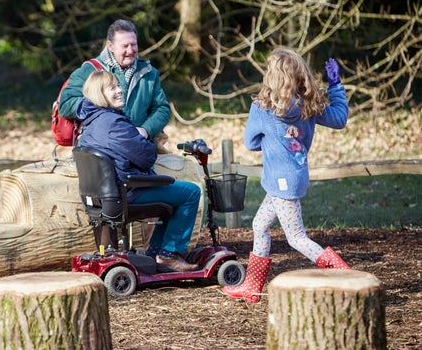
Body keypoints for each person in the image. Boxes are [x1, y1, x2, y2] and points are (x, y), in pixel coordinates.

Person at [222, 48, 350, 304]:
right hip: (296, 176)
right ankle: (252, 287)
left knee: (297, 238)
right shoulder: (309, 104)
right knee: (259, 225)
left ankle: (343, 273)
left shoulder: (263, 107)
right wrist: (335, 84)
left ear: (273, 77)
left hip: (281, 182)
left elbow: (250, 142)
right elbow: (339, 119)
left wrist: (269, 142)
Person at [76, 70, 201, 272]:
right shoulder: (113, 123)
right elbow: (146, 156)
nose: (119, 90)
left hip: (105, 196)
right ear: (99, 93)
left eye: (118, 85)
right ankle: (169, 254)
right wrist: (147, 142)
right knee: (190, 192)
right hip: (127, 192)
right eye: (113, 87)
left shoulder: (90, 122)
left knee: (171, 198)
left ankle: (155, 252)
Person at [59, 19, 171, 144]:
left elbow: (162, 109)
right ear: (110, 46)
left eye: (133, 44)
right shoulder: (89, 70)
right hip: (98, 149)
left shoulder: (150, 73)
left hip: (139, 149)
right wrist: (100, 102)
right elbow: (65, 105)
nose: (130, 50)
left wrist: (145, 130)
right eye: (124, 46)